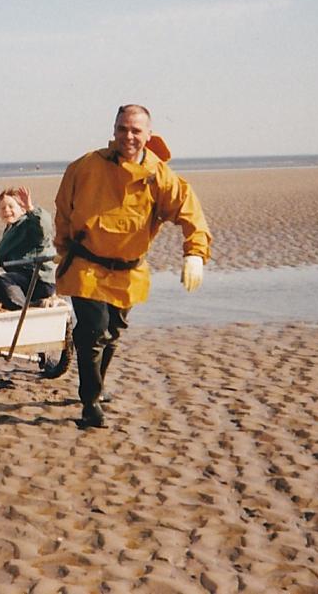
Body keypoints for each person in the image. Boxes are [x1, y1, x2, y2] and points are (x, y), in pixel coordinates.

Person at [54, 104, 210, 429]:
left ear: (148, 135)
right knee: (92, 332)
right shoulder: (86, 166)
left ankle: (97, 386)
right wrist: (63, 248)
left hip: (128, 270)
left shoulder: (159, 174)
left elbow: (189, 211)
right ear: (114, 130)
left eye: (136, 131)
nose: (128, 136)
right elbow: (64, 211)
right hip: (86, 265)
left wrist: (195, 254)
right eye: (123, 129)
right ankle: (90, 402)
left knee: (112, 332)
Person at [0, 186, 57, 309]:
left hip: (38, 280)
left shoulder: (28, 224)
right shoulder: (10, 229)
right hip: (22, 278)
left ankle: (23, 308)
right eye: (2, 208)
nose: (6, 210)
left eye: (11, 206)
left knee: (3, 280)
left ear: (22, 209)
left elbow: (43, 229)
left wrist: (31, 209)